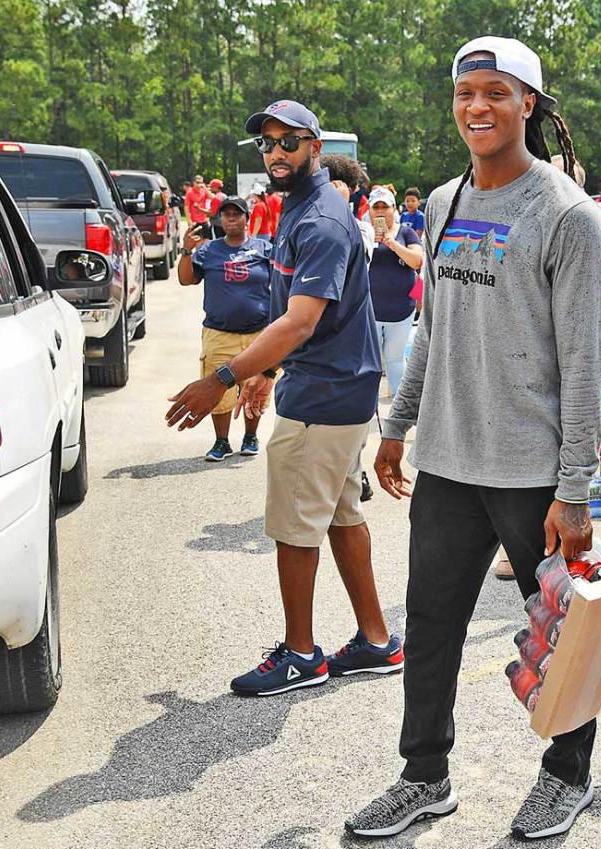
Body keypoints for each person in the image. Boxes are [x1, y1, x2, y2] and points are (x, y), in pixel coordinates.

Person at [350, 36, 601, 841]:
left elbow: (584, 362)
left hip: (533, 472)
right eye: (466, 93)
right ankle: (424, 775)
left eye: (496, 92)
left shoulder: (567, 214)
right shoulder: (443, 201)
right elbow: (434, 326)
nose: (478, 108)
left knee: (563, 634)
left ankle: (568, 775)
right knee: (430, 627)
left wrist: (574, 487)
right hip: (449, 464)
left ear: (529, 104)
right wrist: (398, 426)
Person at [165, 98, 402, 697]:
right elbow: (299, 320)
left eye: (289, 142)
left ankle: (301, 655)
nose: (276, 153)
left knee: (295, 526)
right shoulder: (303, 208)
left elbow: (300, 322)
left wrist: (221, 378)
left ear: (316, 148)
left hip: (323, 395)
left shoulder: (319, 219)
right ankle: (376, 640)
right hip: (334, 385)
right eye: (267, 144)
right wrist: (264, 372)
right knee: (343, 512)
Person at [176, 195, 272, 460]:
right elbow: (186, 280)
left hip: (258, 333)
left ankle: (251, 436)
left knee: (255, 388)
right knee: (218, 390)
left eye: (237, 213)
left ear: (246, 218)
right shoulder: (209, 251)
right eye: (226, 214)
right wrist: (186, 251)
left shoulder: (264, 249)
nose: (231, 217)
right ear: (219, 219)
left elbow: (282, 285)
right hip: (220, 333)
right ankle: (221, 441)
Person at [367, 185, 424, 397]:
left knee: (395, 359)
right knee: (370, 362)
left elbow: (417, 261)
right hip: (370, 311)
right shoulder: (362, 233)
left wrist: (393, 245)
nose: (380, 211)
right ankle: (367, 407)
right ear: (370, 211)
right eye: (376, 207)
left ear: (393, 209)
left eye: (385, 207)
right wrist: (368, 243)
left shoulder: (406, 232)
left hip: (401, 310)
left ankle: (398, 407)